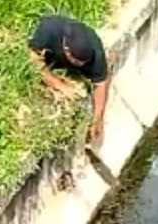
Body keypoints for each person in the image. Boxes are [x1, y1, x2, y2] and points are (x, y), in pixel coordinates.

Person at [27, 14, 111, 144]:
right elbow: (32, 60)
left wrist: (98, 118)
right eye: (77, 62)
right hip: (51, 56)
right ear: (66, 50)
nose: (80, 65)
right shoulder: (47, 29)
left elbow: (100, 83)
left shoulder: (96, 50)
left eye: (83, 63)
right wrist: (59, 85)